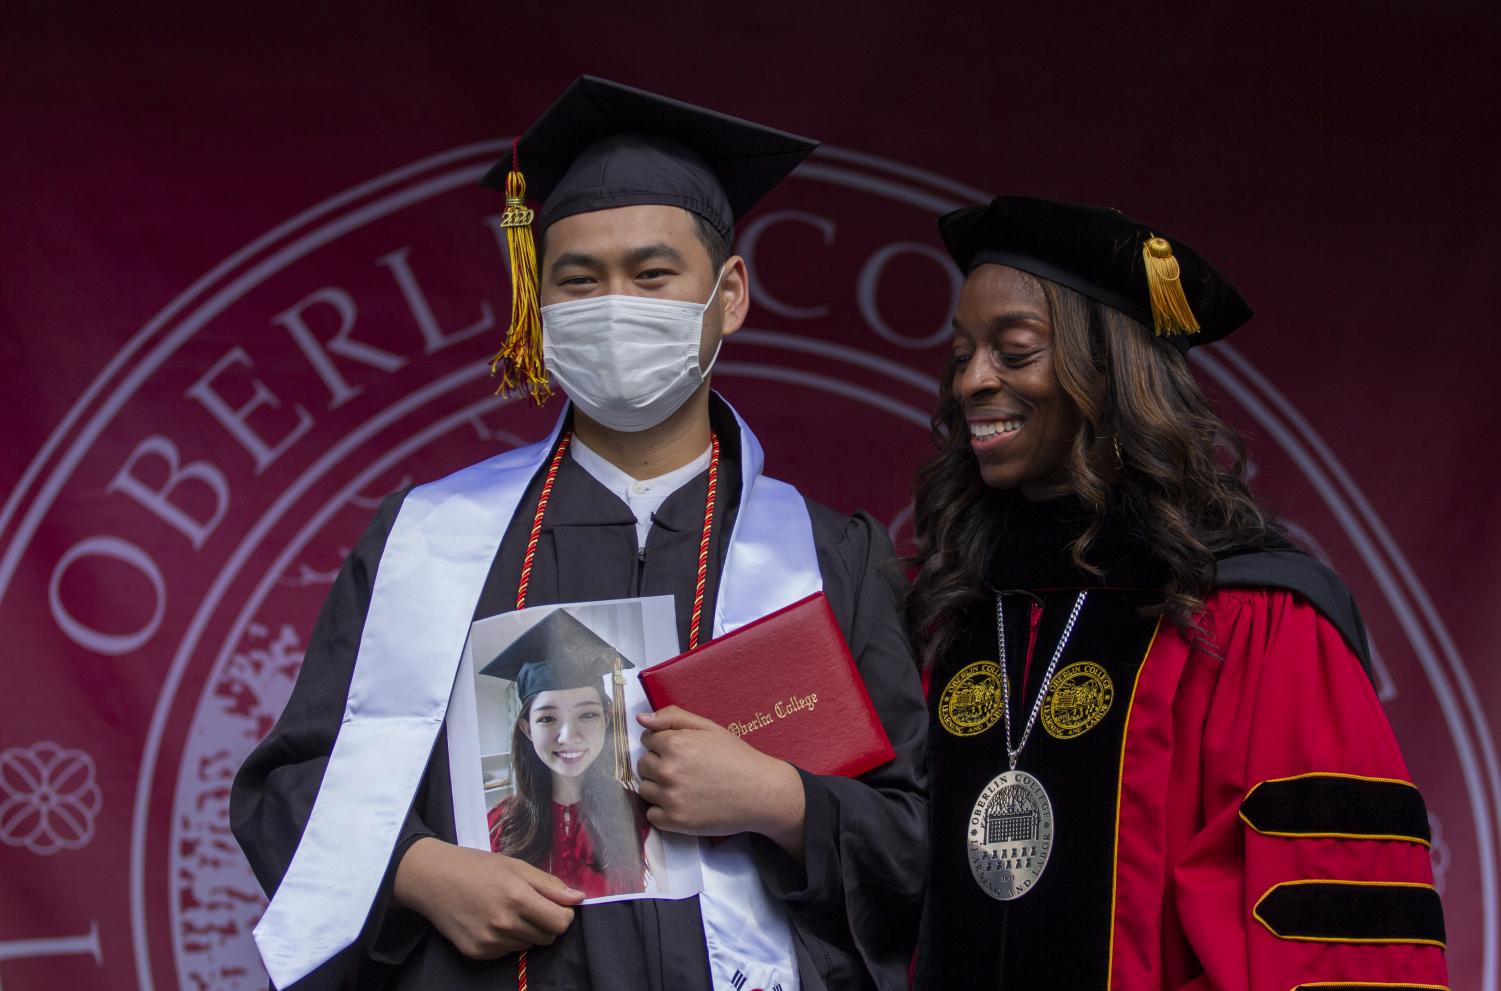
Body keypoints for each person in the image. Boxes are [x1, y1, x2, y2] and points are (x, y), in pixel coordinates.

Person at [230, 76, 927, 991]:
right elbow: (288, 786)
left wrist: (781, 800)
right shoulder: (429, 540)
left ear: (728, 295)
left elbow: (913, 840)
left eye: (650, 274)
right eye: (578, 278)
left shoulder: (830, 554)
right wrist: (413, 871)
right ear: (538, 302)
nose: (612, 304)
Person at [908, 196, 1447, 989]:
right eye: (963, 354)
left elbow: (1322, 935)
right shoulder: (950, 605)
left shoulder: (1251, 616)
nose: (972, 381)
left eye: (1014, 351)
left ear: (1110, 373)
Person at [480, 609, 653, 899]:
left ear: (607, 719)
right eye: (547, 719)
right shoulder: (497, 824)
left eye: (587, 714)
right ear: (526, 729)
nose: (568, 736)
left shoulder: (640, 814)